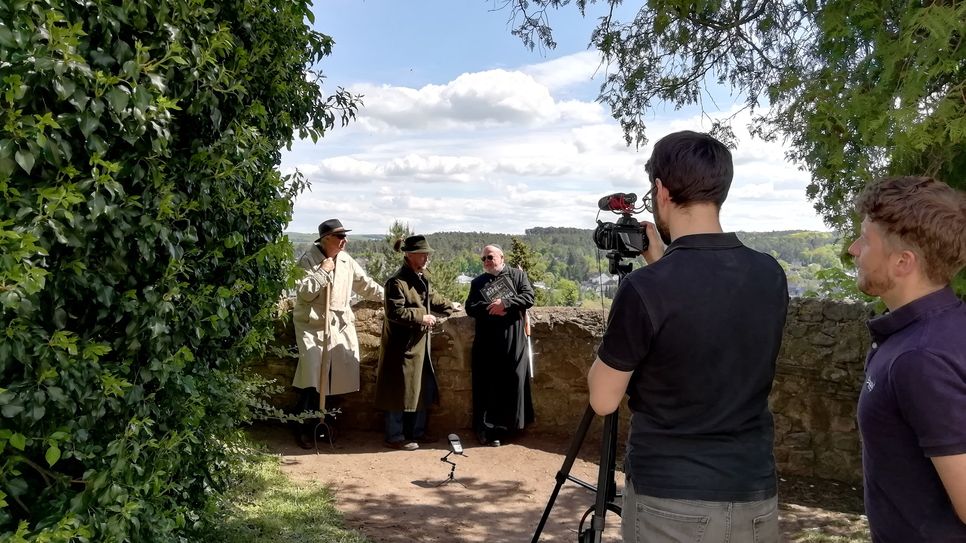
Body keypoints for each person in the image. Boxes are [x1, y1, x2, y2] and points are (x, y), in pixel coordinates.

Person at [587, 131, 789, 542]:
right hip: (753, 491)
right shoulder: (769, 274)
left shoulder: (647, 289)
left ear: (661, 191)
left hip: (671, 497)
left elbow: (603, 400)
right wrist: (661, 259)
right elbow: (708, 316)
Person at [848, 175, 966, 541]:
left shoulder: (920, 357)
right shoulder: (944, 328)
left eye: (866, 240)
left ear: (903, 261)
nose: (854, 249)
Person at [291, 218, 384, 449]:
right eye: (340, 236)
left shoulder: (346, 260)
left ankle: (326, 423)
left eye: (345, 236)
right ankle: (303, 426)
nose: (345, 240)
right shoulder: (309, 260)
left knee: (336, 376)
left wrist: (388, 297)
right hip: (313, 326)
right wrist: (323, 271)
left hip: (339, 325)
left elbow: (365, 285)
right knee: (312, 376)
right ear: (326, 239)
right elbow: (304, 294)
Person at [374, 235, 461, 450]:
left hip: (419, 345)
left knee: (421, 388)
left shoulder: (420, 276)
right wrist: (422, 316)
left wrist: (451, 306)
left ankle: (417, 432)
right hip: (401, 347)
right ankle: (395, 436)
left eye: (427, 254)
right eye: (423, 254)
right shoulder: (396, 282)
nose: (427, 257)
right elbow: (395, 312)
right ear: (409, 255)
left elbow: (432, 298)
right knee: (399, 390)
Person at [465, 244, 535, 447]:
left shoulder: (517, 276)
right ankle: (487, 430)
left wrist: (505, 303)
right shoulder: (478, 282)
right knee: (488, 386)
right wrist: (490, 308)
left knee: (512, 382)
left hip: (513, 340)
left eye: (490, 257)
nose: (487, 261)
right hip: (487, 342)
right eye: (484, 259)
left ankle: (511, 429)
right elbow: (470, 307)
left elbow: (528, 297)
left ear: (502, 257)